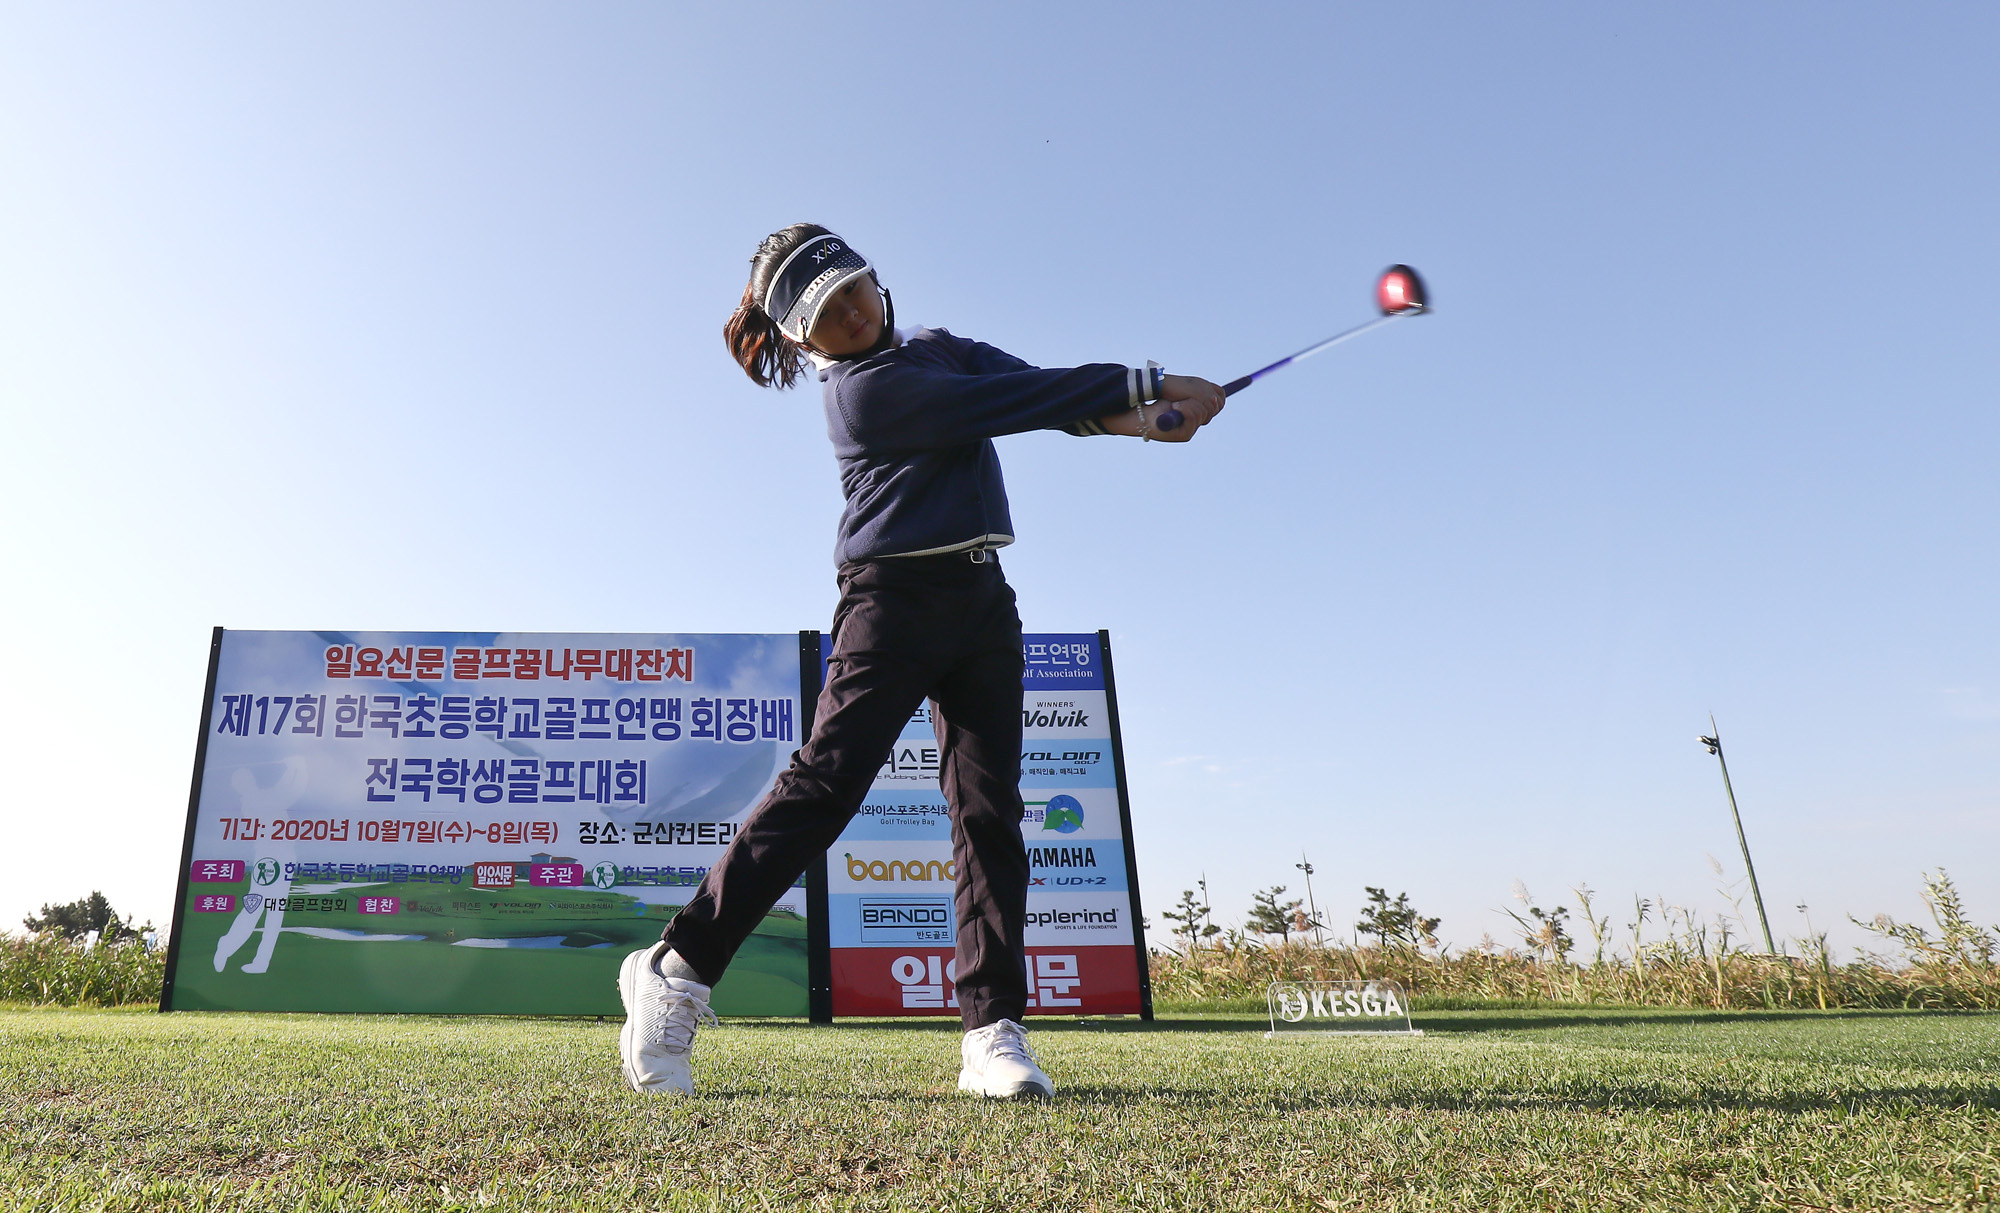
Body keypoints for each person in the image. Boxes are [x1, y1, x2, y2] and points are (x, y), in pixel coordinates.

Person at [617, 223, 1226, 1100]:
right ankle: (675, 965)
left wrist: (1138, 422)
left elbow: (1029, 392)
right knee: (824, 785)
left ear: (878, 280)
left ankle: (992, 1033)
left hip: (982, 602)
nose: (853, 311)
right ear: (800, 338)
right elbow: (1008, 405)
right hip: (889, 602)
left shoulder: (939, 350)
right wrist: (1151, 382)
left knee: (988, 814)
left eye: (856, 287)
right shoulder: (863, 394)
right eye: (826, 312)